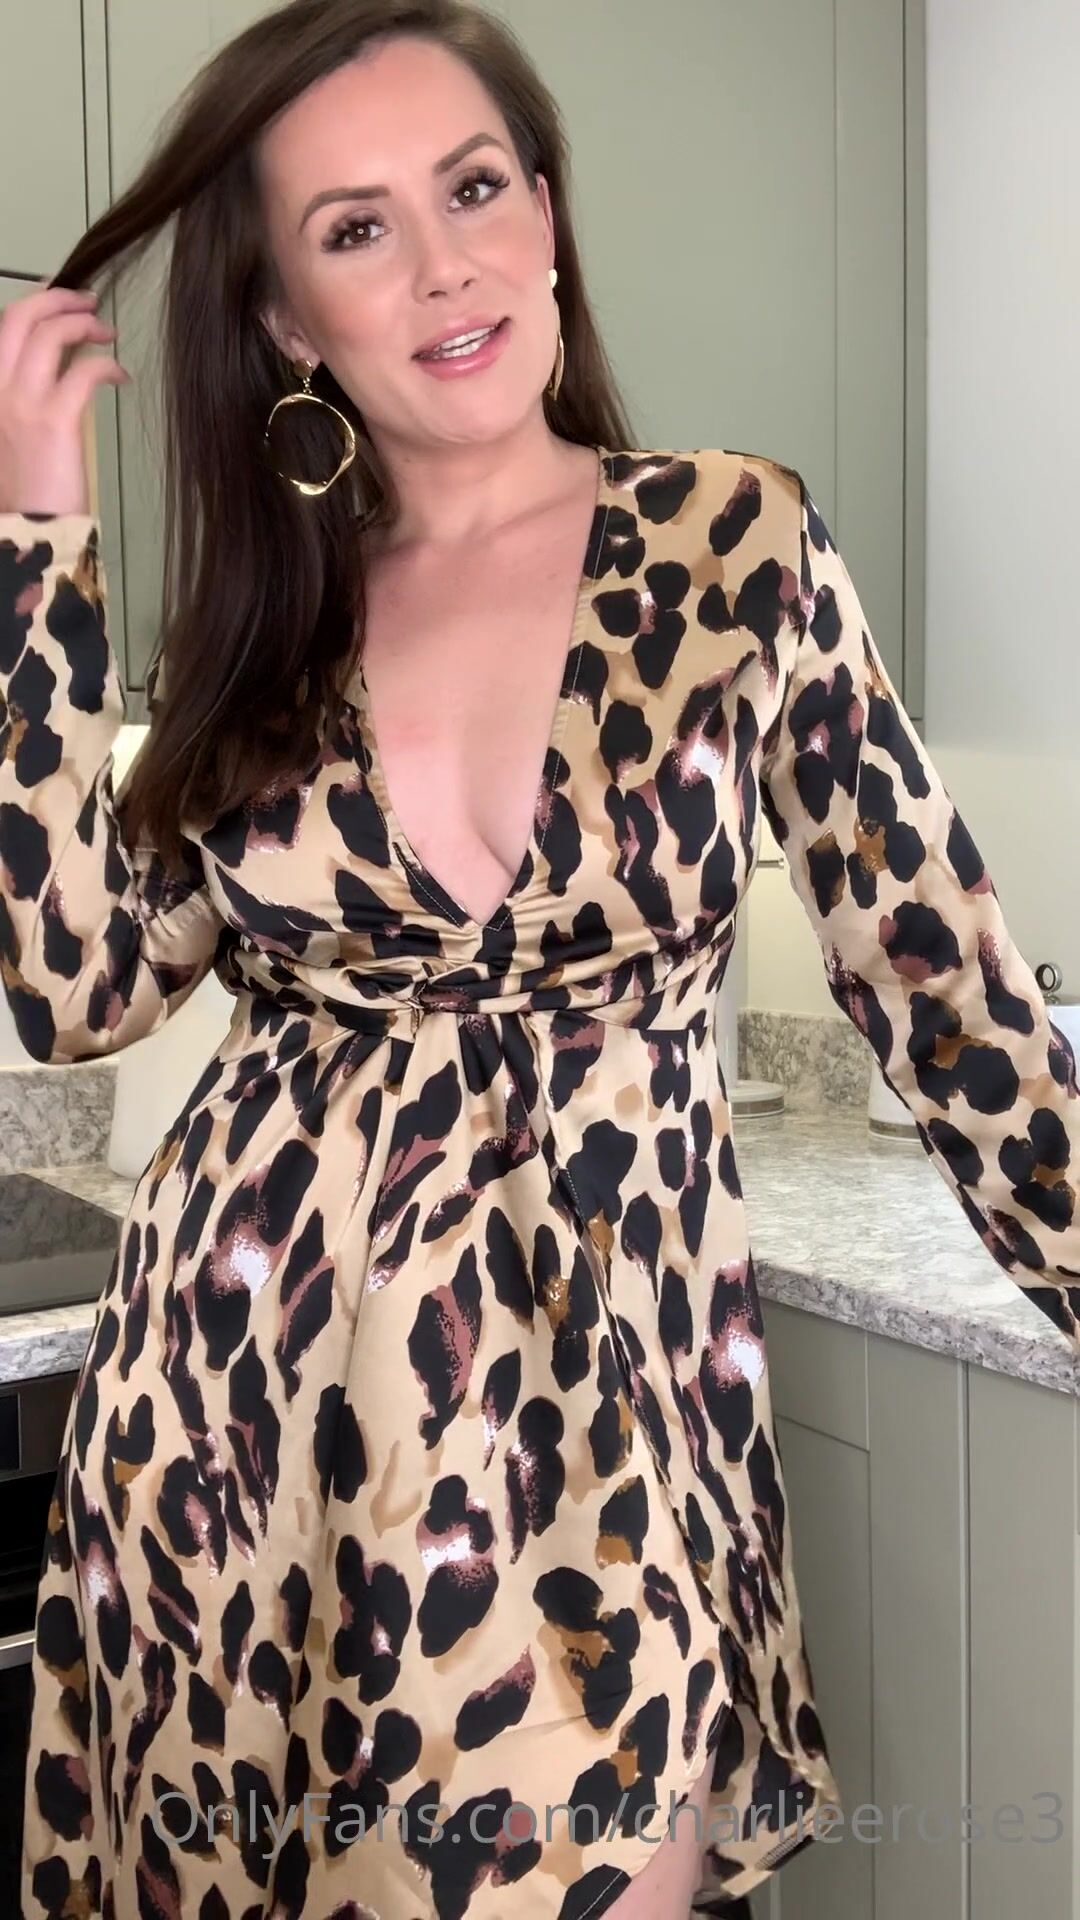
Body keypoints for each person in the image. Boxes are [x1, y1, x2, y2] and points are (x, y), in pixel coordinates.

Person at [1, 3, 1077, 1916]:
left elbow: (953, 1000)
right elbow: (74, 990)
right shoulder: (263, 634)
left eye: (477, 186)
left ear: (549, 211)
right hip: (240, 1446)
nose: (446, 264)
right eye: (357, 228)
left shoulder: (734, 549)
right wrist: (37, 541)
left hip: (599, 1464)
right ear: (283, 318)